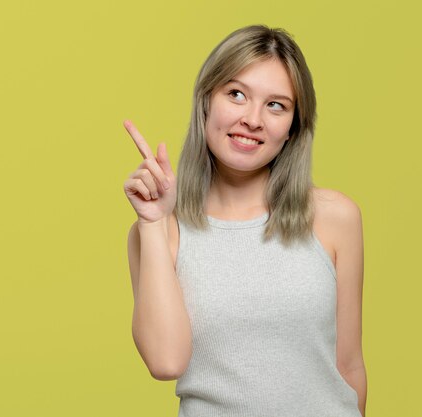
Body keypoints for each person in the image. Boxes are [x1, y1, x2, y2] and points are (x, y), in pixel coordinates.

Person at [123, 25, 367, 417]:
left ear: (292, 128)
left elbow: (349, 365)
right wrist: (153, 222)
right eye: (236, 94)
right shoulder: (159, 230)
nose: (252, 119)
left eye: (276, 105)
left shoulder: (335, 217)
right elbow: (165, 362)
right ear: (206, 101)